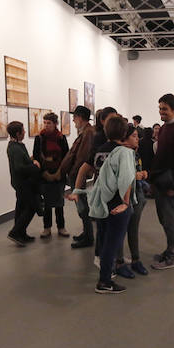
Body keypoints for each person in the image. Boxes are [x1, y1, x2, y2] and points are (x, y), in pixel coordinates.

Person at [86, 115, 136, 294]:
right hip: (116, 203)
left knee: (104, 239)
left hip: (101, 201)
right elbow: (126, 179)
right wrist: (126, 203)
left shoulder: (99, 151)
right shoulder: (124, 152)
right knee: (112, 244)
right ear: (124, 132)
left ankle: (106, 276)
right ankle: (105, 281)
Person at [68, 107, 119, 259]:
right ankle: (103, 256)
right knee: (103, 221)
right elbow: (87, 162)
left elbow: (84, 160)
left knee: (105, 221)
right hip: (104, 186)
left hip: (109, 187)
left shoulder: (91, 134)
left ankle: (106, 254)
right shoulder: (97, 138)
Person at [149, 93, 174, 270]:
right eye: (160, 108)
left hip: (169, 183)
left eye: (164, 109)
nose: (161, 112)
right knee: (164, 219)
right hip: (160, 181)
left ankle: (172, 256)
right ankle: (169, 250)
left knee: (170, 219)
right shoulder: (164, 128)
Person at [114, 124, 148, 278]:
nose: (137, 139)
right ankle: (119, 262)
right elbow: (118, 176)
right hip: (123, 197)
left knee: (133, 229)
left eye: (137, 136)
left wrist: (142, 174)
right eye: (133, 136)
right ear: (124, 139)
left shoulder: (135, 154)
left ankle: (136, 259)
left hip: (137, 195)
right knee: (120, 230)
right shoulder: (120, 154)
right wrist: (135, 176)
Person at [58, 106, 95, 248]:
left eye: (74, 117)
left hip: (77, 175)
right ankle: (87, 233)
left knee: (82, 207)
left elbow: (82, 157)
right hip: (76, 174)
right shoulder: (86, 132)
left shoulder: (88, 133)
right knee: (81, 205)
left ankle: (88, 237)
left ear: (80, 117)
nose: (73, 120)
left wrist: (74, 172)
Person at [32, 112, 70, 238]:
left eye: (49, 123)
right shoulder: (39, 138)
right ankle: (47, 228)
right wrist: (44, 173)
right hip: (45, 174)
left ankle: (61, 227)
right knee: (47, 203)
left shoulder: (61, 138)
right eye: (45, 123)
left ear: (55, 124)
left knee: (59, 202)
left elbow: (66, 156)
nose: (46, 125)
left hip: (59, 174)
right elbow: (36, 157)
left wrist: (60, 172)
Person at [6, 120, 41, 246]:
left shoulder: (19, 146)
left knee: (21, 208)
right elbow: (19, 168)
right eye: (23, 130)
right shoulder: (14, 148)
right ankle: (15, 232)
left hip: (22, 182)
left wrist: (30, 161)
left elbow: (23, 161)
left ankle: (21, 233)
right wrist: (35, 166)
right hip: (22, 183)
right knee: (31, 207)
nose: (25, 132)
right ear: (17, 133)